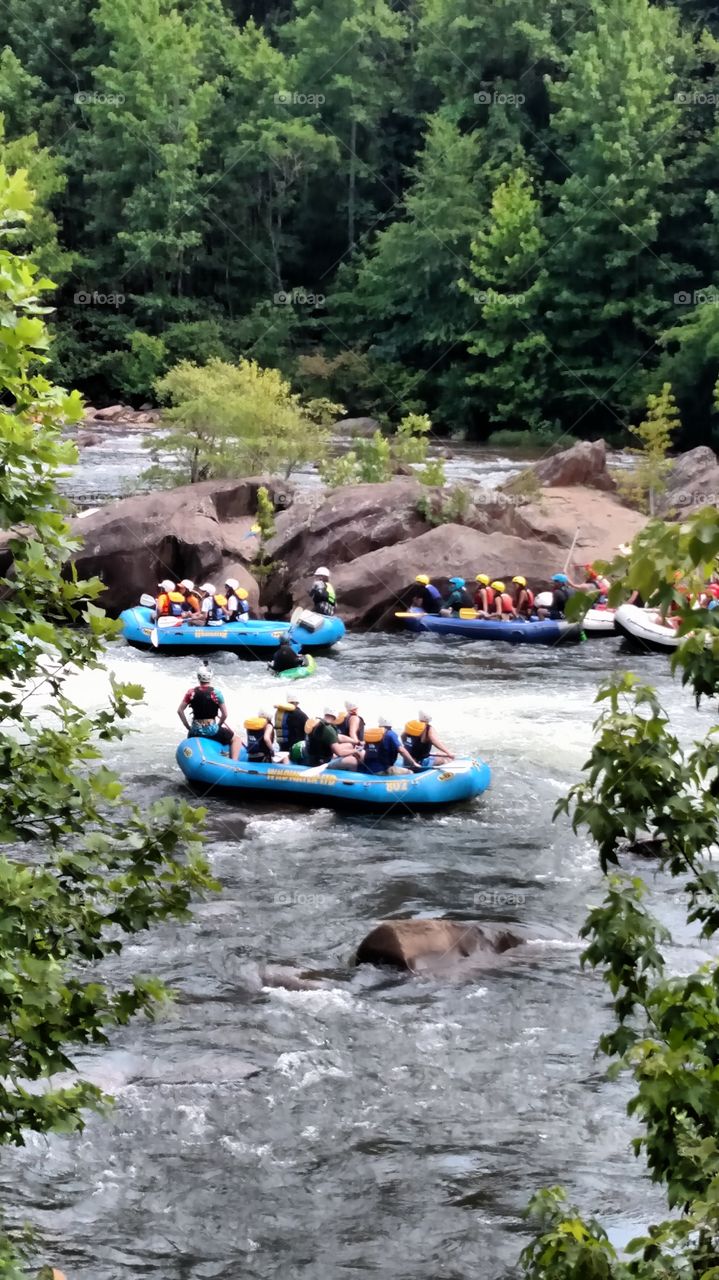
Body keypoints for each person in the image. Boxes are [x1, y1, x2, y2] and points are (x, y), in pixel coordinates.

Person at [177, 664, 241, 760]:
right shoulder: (216, 693)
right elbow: (225, 714)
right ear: (211, 677)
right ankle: (234, 764)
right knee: (237, 739)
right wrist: (218, 725)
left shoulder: (191, 692)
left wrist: (188, 727)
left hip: (194, 731)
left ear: (198, 677)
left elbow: (180, 711)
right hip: (211, 730)